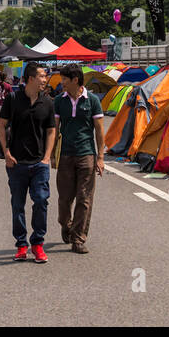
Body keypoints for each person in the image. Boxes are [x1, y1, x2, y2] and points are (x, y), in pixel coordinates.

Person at [0, 62, 56, 264]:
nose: (45, 79)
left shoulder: (47, 102)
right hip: (16, 163)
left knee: (41, 201)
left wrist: (47, 157)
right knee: (18, 205)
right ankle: (21, 244)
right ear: (31, 78)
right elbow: (2, 125)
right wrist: (6, 152)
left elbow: (51, 130)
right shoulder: (13, 99)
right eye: (42, 76)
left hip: (40, 163)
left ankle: (37, 244)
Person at [54, 64, 105, 254]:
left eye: (64, 80)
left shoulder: (92, 101)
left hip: (86, 155)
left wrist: (100, 157)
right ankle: (65, 224)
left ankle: (78, 238)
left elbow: (99, 131)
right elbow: (54, 129)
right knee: (64, 199)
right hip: (65, 155)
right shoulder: (59, 101)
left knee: (84, 199)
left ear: (75, 80)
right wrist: (51, 155)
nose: (62, 83)